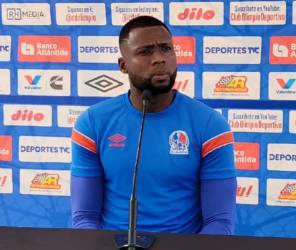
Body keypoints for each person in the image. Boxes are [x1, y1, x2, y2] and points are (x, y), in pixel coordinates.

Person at [71, 15, 237, 235]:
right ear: (123, 65)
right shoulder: (92, 123)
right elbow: (85, 218)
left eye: (166, 49)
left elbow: (219, 221)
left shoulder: (210, 125)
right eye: (145, 51)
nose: (159, 58)